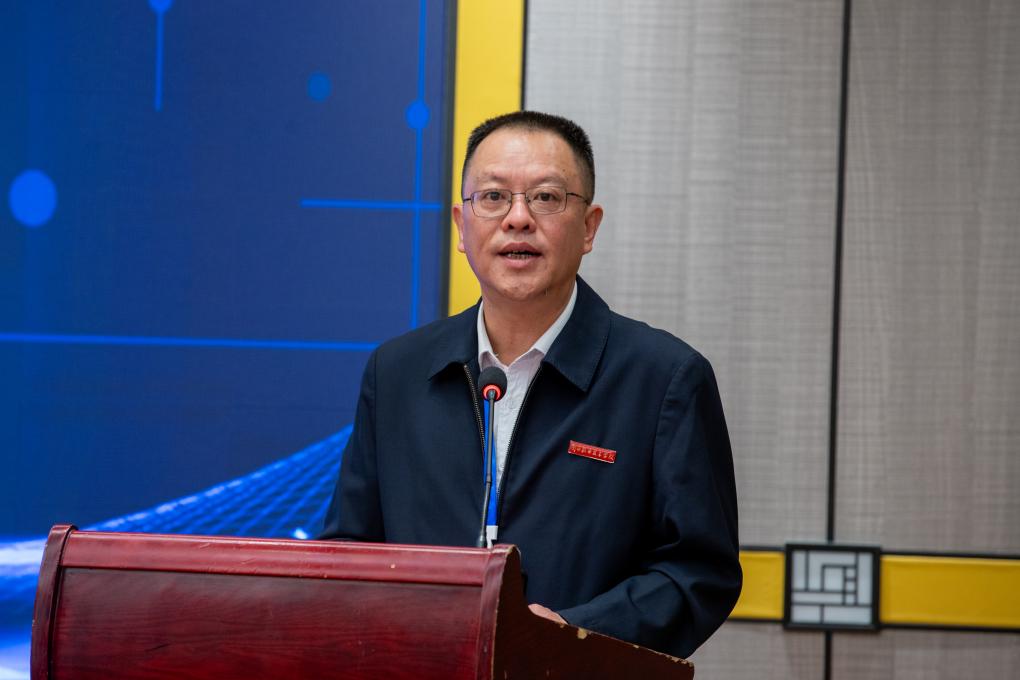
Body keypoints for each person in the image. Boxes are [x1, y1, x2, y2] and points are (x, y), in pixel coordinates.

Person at [320, 111, 741, 658]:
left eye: (546, 198)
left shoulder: (664, 379)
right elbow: (347, 552)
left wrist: (568, 634)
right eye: (493, 197)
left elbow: (698, 573)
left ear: (588, 227)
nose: (518, 219)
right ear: (461, 226)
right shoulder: (397, 371)